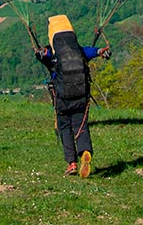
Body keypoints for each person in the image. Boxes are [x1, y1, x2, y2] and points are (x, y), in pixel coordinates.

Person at [34, 14, 110, 178]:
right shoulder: (80, 51)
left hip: (62, 97)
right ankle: (85, 151)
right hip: (81, 96)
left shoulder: (53, 54)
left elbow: (43, 55)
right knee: (80, 125)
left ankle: (72, 163)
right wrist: (101, 51)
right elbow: (94, 51)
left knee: (65, 128)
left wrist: (40, 53)